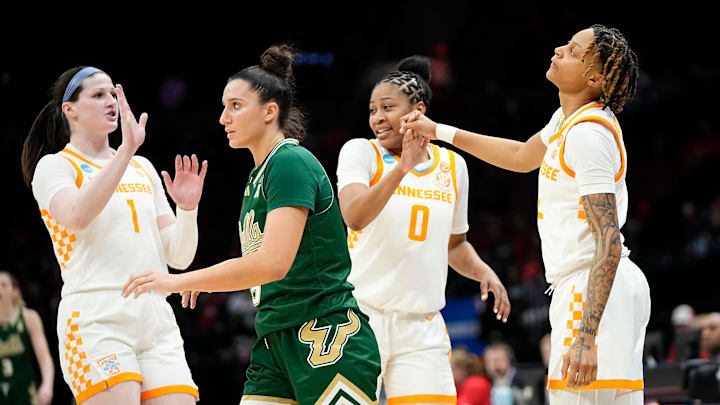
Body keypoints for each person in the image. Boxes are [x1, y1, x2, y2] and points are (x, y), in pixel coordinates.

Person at [401, 24, 651, 404]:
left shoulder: (589, 135)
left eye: (572, 50)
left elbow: (609, 241)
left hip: (595, 287)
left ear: (594, 77)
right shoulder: (566, 122)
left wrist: (586, 336)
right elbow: (520, 156)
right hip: (589, 286)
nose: (558, 49)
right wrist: (440, 132)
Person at [122, 45, 382, 405]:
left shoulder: (289, 162)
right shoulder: (258, 175)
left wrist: (183, 279)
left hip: (324, 334)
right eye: (224, 106)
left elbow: (272, 264)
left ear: (269, 112)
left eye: (235, 106)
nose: (223, 118)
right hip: (274, 340)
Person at [22, 66, 206, 404]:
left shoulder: (143, 168)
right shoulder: (56, 167)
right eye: (98, 95)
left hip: (155, 315)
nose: (110, 101)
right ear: (70, 110)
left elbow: (179, 257)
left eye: (112, 93)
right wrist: (125, 151)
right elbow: (76, 216)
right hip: (95, 318)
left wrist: (188, 210)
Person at [336, 55, 510, 405]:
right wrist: (402, 168)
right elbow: (354, 216)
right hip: (361, 317)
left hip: (423, 326)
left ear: (418, 109)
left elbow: (454, 245)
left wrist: (482, 270)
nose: (377, 118)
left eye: (387, 107)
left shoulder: (453, 165)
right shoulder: (360, 152)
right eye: (372, 110)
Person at [0, 271, 54, 405]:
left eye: (4, 285)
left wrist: (47, 385)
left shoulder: (29, 318)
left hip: (24, 390)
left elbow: (44, 357)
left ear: (15, 292)